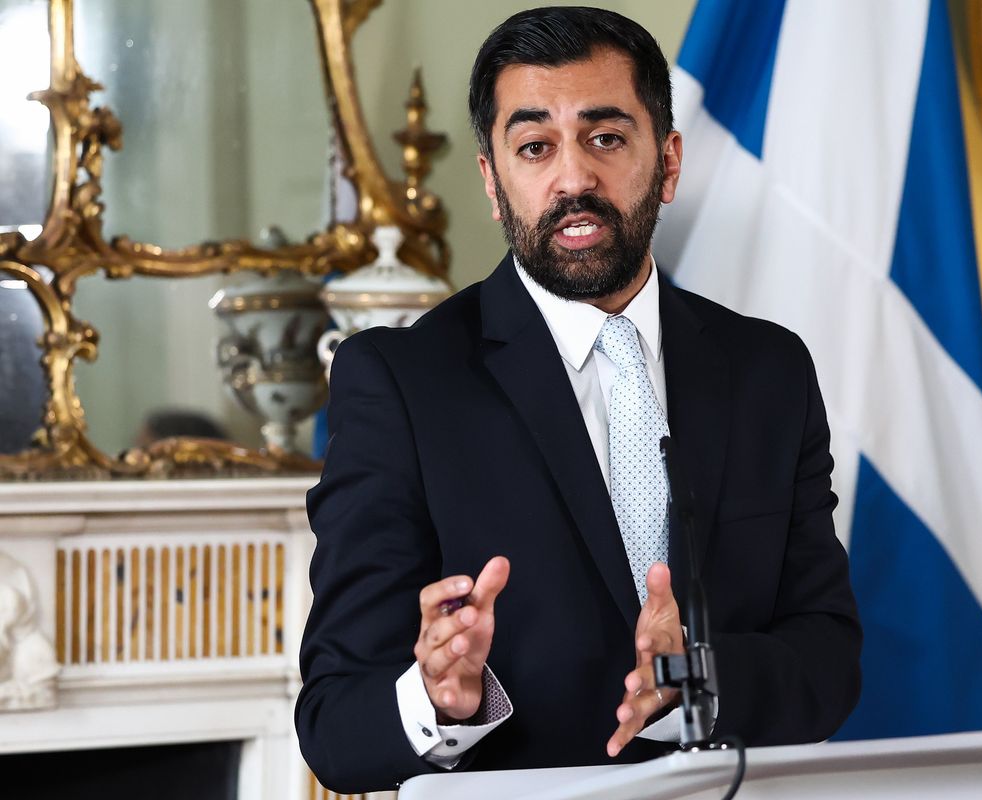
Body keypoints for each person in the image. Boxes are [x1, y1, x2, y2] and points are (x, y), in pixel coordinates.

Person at [297, 7, 861, 793]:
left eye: (605, 137)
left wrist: (697, 677)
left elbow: (829, 656)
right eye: (535, 147)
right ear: (494, 183)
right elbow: (334, 726)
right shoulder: (399, 383)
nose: (573, 179)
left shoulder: (769, 370)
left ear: (667, 162)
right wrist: (439, 699)